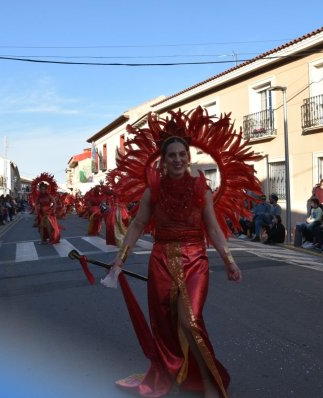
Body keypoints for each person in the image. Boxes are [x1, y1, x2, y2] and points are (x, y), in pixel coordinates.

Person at [108, 135, 241, 398]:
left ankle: (208, 382)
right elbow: (136, 225)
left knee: (189, 321)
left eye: (182, 154)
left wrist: (229, 261)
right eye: (172, 155)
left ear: (188, 158)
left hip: (195, 260)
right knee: (165, 325)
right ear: (164, 160)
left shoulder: (202, 190)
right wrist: (120, 258)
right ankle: (178, 371)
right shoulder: (153, 191)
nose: (178, 159)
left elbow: (213, 228)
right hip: (160, 261)